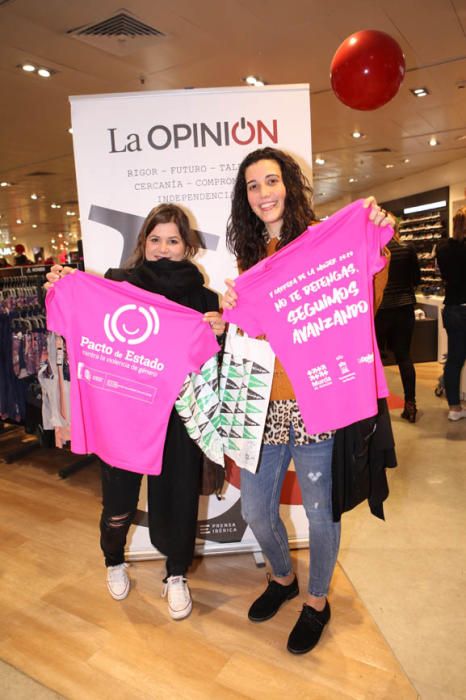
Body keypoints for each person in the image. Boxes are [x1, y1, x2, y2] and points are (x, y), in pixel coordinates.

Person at [222, 146, 393, 655]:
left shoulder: (322, 239)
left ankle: (316, 601)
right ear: (245, 198)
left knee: (321, 512)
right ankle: (282, 578)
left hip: (317, 398)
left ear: (289, 185)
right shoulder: (249, 257)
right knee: (255, 509)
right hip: (262, 402)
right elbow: (245, 327)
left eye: (270, 181)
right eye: (252, 186)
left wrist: (378, 243)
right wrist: (227, 304)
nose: (263, 193)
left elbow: (367, 295)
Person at [46, 203, 225, 619]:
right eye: (155, 239)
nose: (163, 249)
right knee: (118, 501)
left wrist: (222, 330)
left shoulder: (205, 300)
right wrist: (61, 285)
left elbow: (217, 364)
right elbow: (75, 315)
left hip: (178, 418)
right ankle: (113, 559)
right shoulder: (116, 284)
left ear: (188, 247)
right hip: (124, 412)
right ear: (144, 243)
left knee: (179, 499)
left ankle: (175, 573)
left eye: (173, 241)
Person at [375, 218, 421, 422]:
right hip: (404, 308)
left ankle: (375, 409)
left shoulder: (376, 250)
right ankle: (410, 404)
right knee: (404, 357)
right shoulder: (407, 249)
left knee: (374, 361)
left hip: (381, 311)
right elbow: (416, 279)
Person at [436, 206, 466, 421]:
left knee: (454, 359)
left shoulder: (442, 247)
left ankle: (454, 407)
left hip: (453, 308)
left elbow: (443, 274)